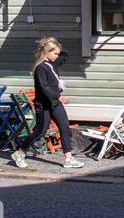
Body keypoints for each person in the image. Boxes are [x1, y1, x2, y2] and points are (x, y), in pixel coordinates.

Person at [12, 36, 84, 169]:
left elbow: (66, 54)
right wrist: (58, 96)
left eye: (57, 53)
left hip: (55, 104)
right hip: (44, 105)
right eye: (55, 53)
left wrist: (55, 43)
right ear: (47, 52)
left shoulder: (53, 64)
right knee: (40, 131)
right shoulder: (41, 68)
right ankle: (20, 152)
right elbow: (44, 88)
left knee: (64, 128)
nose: (57, 56)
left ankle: (68, 159)